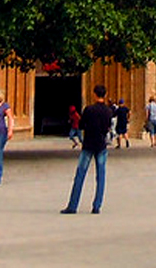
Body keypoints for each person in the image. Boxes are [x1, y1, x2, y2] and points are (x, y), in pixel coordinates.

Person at [61, 84, 110, 214]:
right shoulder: (108, 111)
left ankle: (73, 206)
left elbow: (81, 125)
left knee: (80, 174)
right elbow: (107, 128)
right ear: (105, 95)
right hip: (101, 145)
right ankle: (96, 206)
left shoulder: (88, 109)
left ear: (94, 94)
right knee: (101, 176)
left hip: (88, 144)